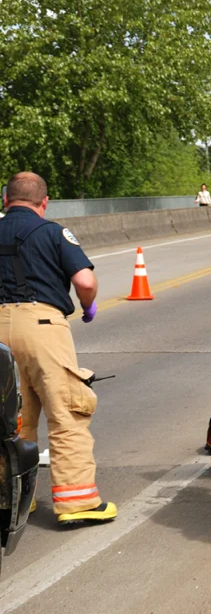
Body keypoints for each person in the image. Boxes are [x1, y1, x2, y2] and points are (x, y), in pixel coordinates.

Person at [0, 172, 117, 525]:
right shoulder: (52, 232)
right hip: (42, 326)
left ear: (6, 200)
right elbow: (84, 280)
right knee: (67, 412)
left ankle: (13, 498)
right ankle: (76, 502)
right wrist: (88, 304)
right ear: (44, 202)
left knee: (10, 419)